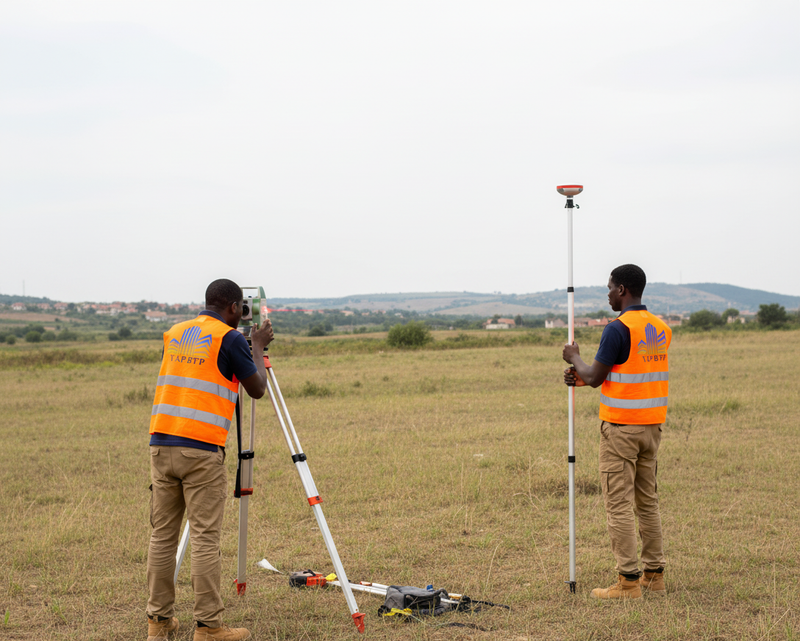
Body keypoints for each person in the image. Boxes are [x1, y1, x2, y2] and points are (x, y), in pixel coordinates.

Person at [146, 279, 273, 641]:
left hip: (161, 443)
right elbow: (257, 389)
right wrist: (257, 345)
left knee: (162, 537)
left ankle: (158, 622)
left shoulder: (175, 333)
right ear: (234, 307)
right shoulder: (229, 339)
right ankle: (209, 627)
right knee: (204, 538)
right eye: (240, 308)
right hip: (201, 449)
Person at [562, 264, 671, 600]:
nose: (608, 295)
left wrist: (575, 358)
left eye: (610, 288)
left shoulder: (617, 328)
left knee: (619, 505)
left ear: (622, 289)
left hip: (621, 430)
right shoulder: (661, 327)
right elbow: (628, 371)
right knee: (647, 503)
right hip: (651, 429)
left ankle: (628, 582)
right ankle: (654, 576)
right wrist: (582, 375)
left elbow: (595, 376)